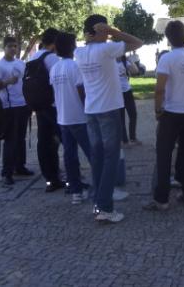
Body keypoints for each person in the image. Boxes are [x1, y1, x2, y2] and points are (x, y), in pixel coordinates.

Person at [75, 15, 143, 223]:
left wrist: (100, 33)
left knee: (97, 158)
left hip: (92, 110)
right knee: (111, 158)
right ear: (100, 30)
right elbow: (138, 43)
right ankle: (104, 207)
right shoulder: (106, 49)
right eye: (104, 30)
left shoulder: (79, 51)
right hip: (108, 108)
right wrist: (112, 30)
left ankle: (98, 200)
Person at [144, 20, 184, 211]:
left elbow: (160, 88)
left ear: (168, 38)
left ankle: (161, 199)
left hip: (172, 112)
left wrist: (157, 110)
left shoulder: (167, 59)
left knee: (164, 155)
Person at [49, 32, 91, 205]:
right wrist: (88, 109)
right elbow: (82, 92)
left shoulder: (54, 68)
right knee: (93, 154)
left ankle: (76, 192)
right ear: (71, 47)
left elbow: (56, 92)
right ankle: (103, 189)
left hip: (63, 119)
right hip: (79, 118)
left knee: (69, 157)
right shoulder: (75, 67)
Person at [0, 36, 32, 185]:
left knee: (21, 138)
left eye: (15, 46)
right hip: (8, 106)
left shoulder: (21, 63)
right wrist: (7, 82)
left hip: (23, 104)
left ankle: (20, 166)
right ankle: (6, 172)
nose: (13, 49)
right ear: (4, 48)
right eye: (10, 46)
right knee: (10, 140)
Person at [30, 28, 65, 192]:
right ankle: (70, 178)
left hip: (39, 105)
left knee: (44, 142)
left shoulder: (34, 56)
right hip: (53, 105)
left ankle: (50, 178)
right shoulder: (52, 59)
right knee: (65, 140)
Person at [117, 56, 141, 146]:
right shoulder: (110, 62)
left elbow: (135, 71)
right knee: (121, 117)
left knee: (133, 114)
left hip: (127, 91)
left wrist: (130, 61)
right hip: (116, 93)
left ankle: (132, 138)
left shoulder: (124, 62)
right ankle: (124, 140)